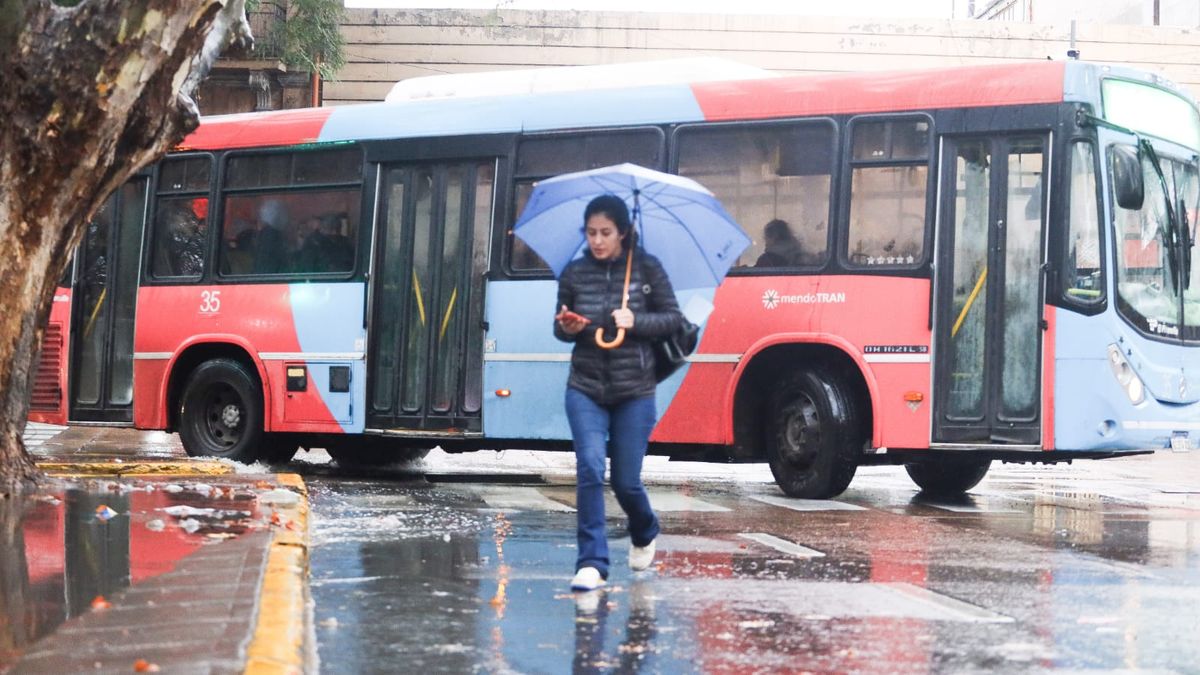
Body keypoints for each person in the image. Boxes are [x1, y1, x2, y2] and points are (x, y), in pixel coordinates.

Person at [554, 194, 684, 592]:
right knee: (590, 467)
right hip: (585, 387)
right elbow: (559, 325)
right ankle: (592, 562)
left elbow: (674, 320)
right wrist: (569, 326)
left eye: (605, 233)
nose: (597, 240)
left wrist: (636, 320)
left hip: (635, 391)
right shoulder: (574, 273)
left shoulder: (647, 268)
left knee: (627, 482)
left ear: (623, 233)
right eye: (591, 233)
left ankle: (644, 528)